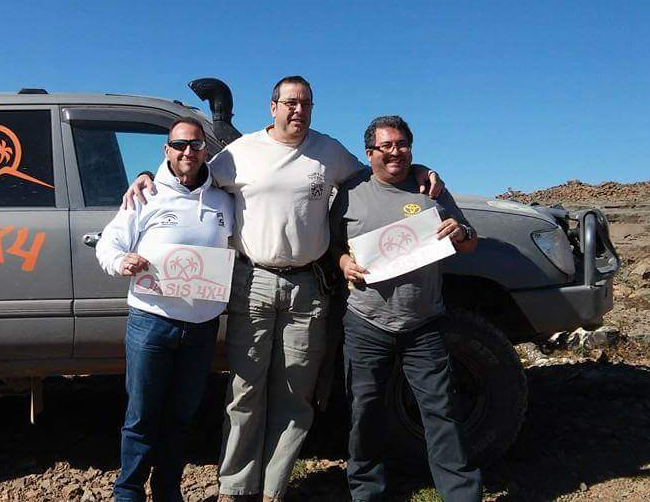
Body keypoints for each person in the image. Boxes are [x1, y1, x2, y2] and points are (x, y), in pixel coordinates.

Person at [125, 76, 445, 501]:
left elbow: (377, 175)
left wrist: (420, 169)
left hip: (308, 285)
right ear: (272, 106)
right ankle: (236, 487)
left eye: (306, 103)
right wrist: (147, 174)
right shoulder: (241, 152)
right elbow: (189, 171)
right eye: (290, 102)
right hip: (253, 280)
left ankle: (273, 489)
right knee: (245, 389)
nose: (298, 110)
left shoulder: (329, 151)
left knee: (295, 393)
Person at [329, 115, 481, 502]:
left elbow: (468, 242)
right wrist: (343, 262)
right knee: (364, 411)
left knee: (442, 411)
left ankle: (461, 494)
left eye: (402, 145)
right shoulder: (351, 191)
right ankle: (367, 492)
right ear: (370, 153)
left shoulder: (430, 188)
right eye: (386, 146)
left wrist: (460, 232)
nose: (395, 152)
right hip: (366, 321)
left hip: (424, 322)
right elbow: (330, 245)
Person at [96, 117, 234, 502]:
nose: (188, 151)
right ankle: (128, 492)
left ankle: (167, 489)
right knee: (141, 416)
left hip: (202, 328)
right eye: (180, 144)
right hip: (151, 323)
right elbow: (108, 244)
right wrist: (121, 261)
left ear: (206, 150)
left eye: (196, 144)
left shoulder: (224, 201)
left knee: (180, 417)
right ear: (167, 150)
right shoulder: (146, 195)